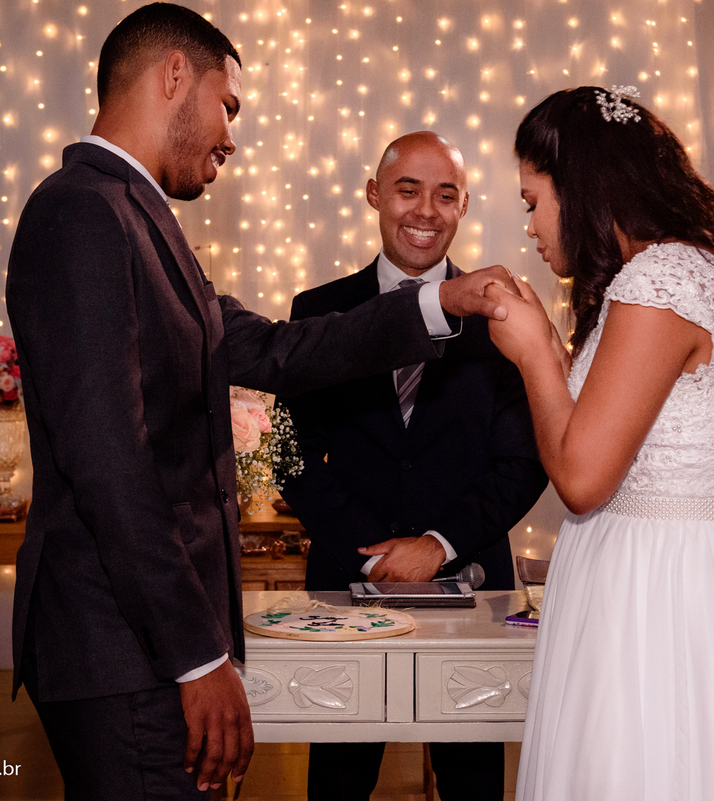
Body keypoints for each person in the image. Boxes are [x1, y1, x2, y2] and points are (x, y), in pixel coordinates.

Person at [3, 5, 516, 799]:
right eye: (228, 106)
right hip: (122, 644)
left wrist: (438, 306)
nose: (230, 137)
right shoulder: (83, 212)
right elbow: (110, 467)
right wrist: (197, 656)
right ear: (175, 75)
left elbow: (281, 350)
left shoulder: (138, 220)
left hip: (144, 642)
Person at [483, 86, 714, 800]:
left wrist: (536, 351)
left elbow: (581, 475)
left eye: (533, 200)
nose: (532, 227)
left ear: (580, 185)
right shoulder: (684, 269)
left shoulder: (660, 278)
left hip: (656, 595)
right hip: (674, 573)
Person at [279, 131, 548, 801]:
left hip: (472, 580)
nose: (426, 209)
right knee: (338, 781)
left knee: (474, 783)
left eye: (445, 194)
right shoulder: (318, 312)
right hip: (347, 581)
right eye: (408, 189)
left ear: (463, 207)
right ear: (375, 195)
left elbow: (523, 460)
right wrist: (372, 553)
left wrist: (437, 545)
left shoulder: (503, 313)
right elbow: (291, 453)